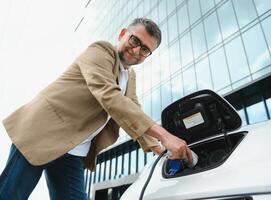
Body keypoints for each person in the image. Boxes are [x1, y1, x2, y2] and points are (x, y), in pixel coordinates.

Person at [0, 17, 192, 200]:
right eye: (134, 41)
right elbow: (110, 97)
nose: (136, 51)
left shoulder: (129, 76)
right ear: (123, 34)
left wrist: (157, 148)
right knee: (11, 195)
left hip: (73, 150)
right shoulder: (100, 51)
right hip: (43, 131)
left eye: (145, 50)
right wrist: (165, 136)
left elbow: (132, 109)